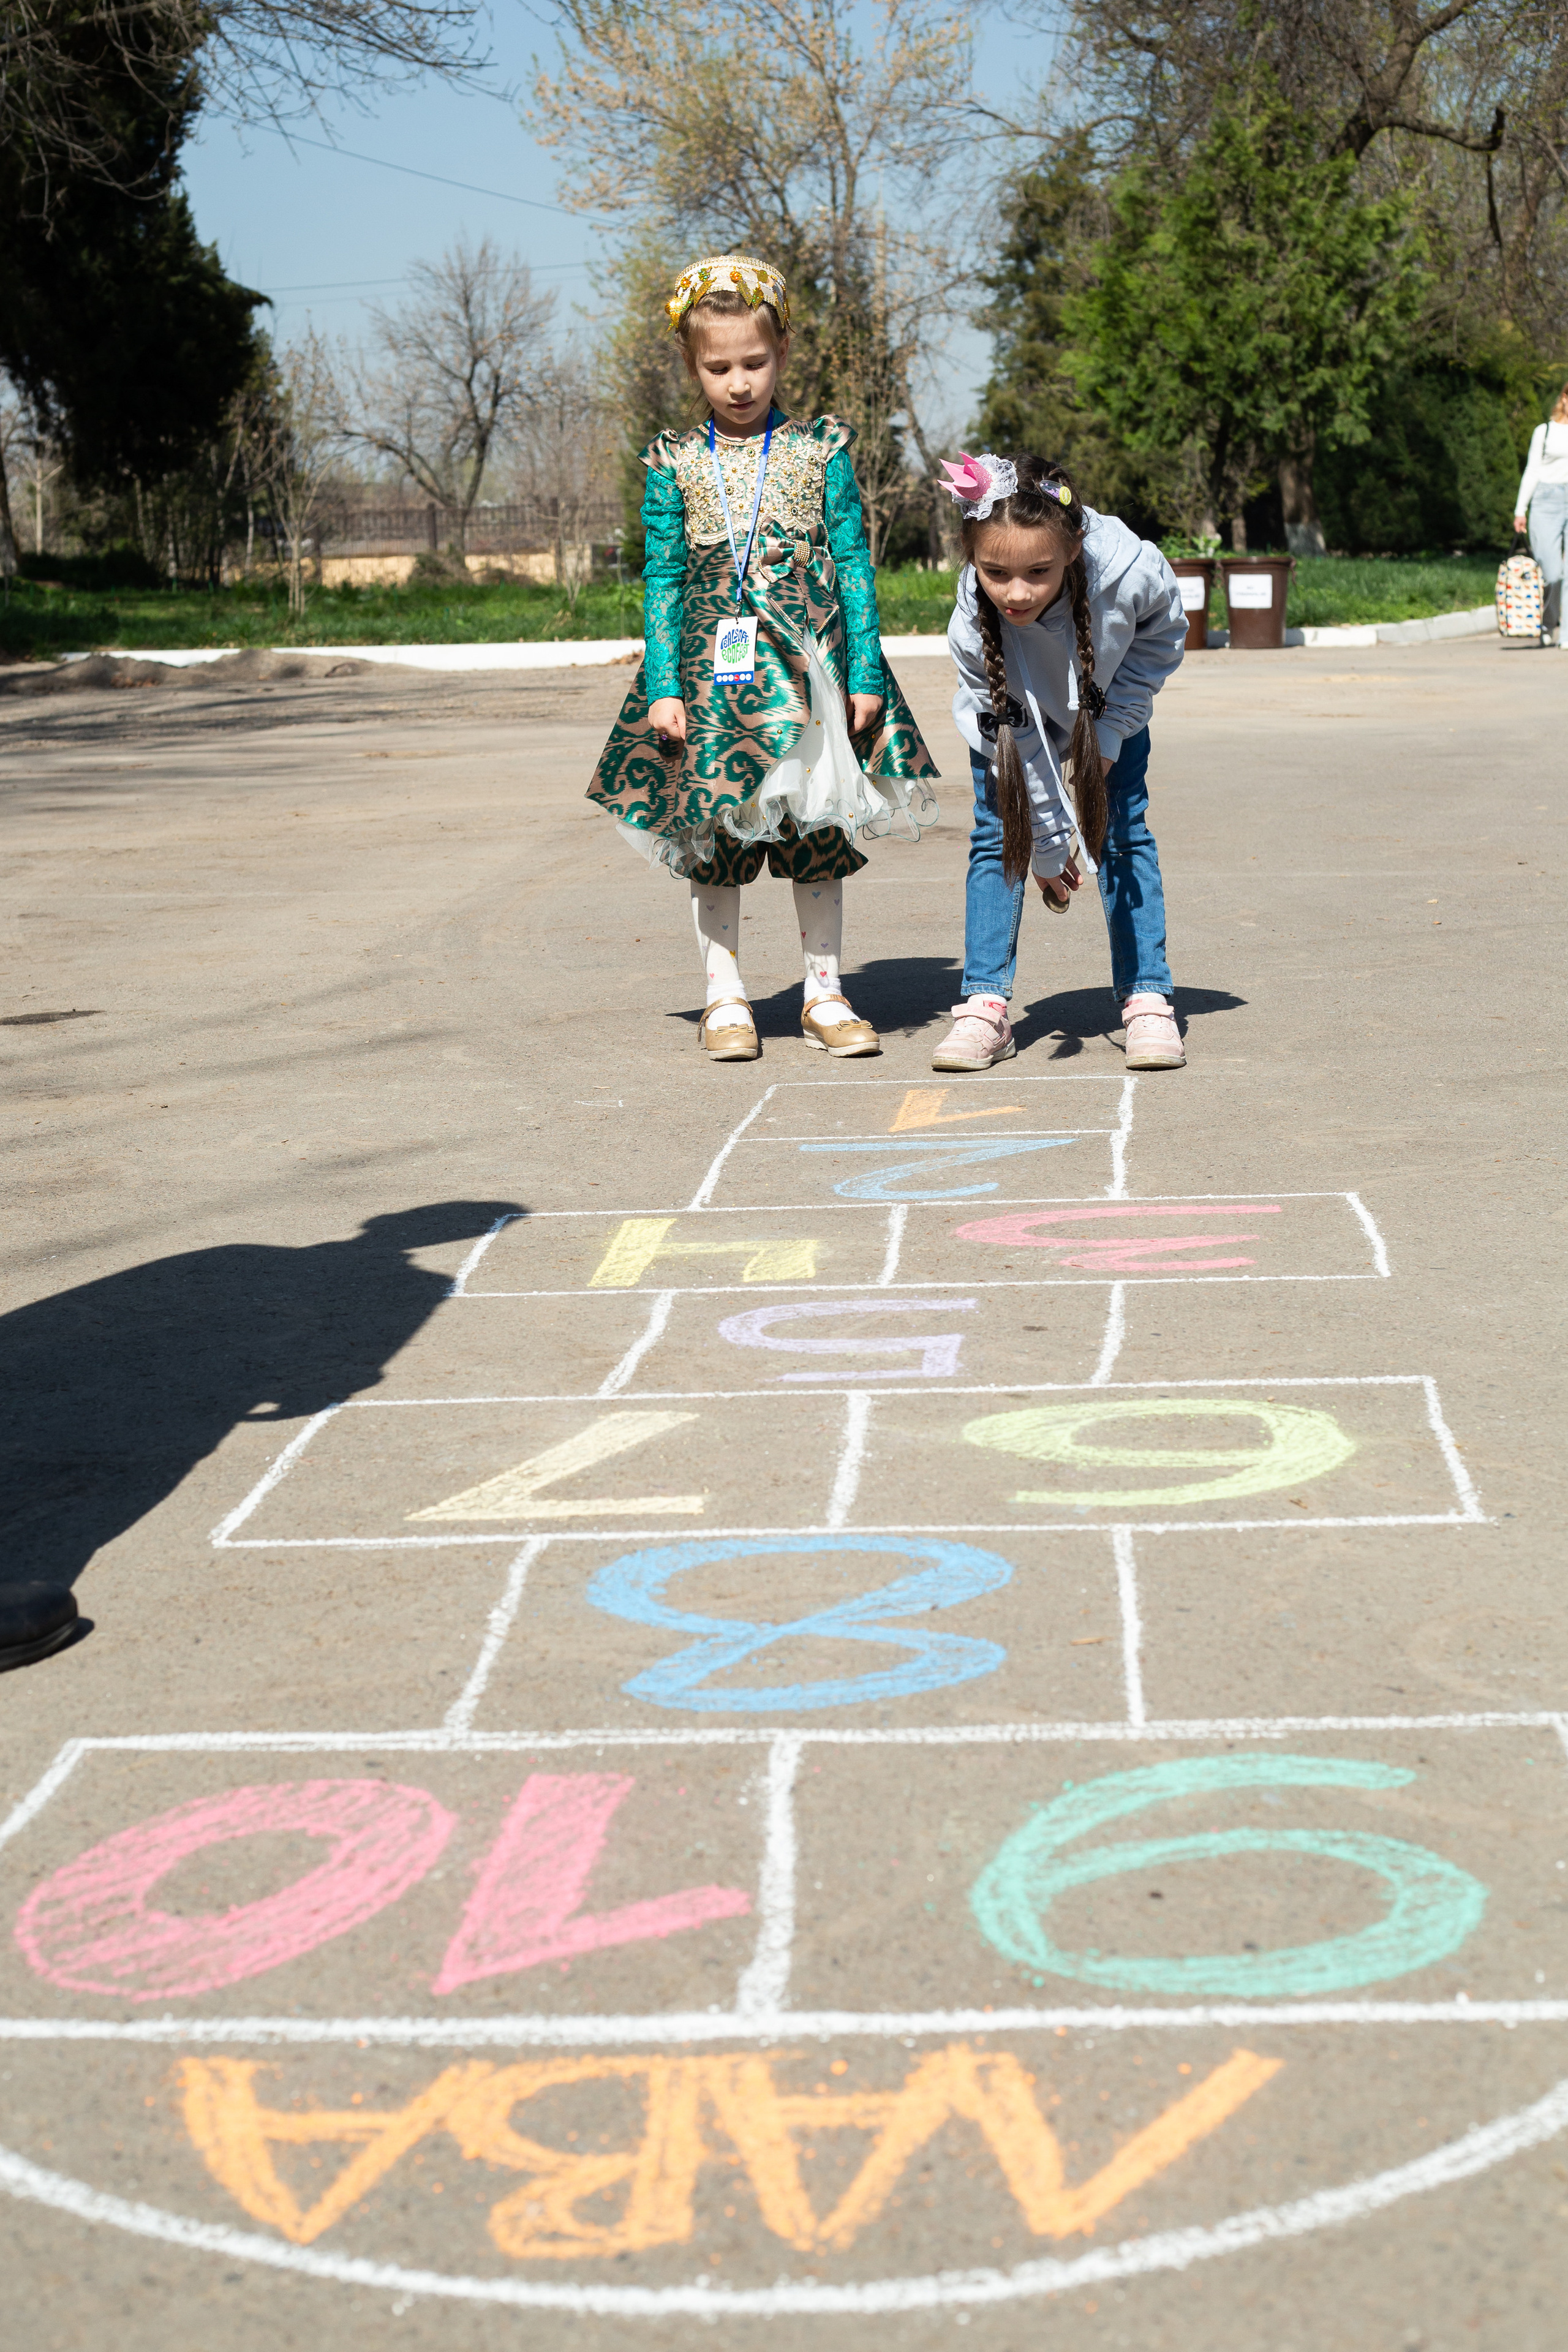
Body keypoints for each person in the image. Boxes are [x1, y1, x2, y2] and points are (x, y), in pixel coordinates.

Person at [587, 253, 940, 1061]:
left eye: (755, 362)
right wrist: (664, 685)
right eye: (719, 367)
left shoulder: (823, 447)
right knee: (717, 835)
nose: (739, 382)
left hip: (811, 677)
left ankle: (824, 994)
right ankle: (725, 998)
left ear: (782, 355)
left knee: (817, 831)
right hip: (715, 686)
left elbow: (853, 562)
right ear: (692, 364)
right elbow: (665, 577)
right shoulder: (671, 460)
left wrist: (864, 674)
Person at [929, 451, 1188, 1073]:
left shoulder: (1130, 573)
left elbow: (1163, 635)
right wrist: (1045, 849)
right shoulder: (973, 621)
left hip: (1106, 710)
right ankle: (984, 1005)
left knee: (1121, 837)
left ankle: (1147, 997)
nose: (1016, 592)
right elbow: (1015, 745)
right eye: (995, 572)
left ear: (1072, 550)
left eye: (1038, 572)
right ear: (972, 560)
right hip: (1009, 727)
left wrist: (1110, 734)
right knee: (1000, 841)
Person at [1513, 382, 1568, 647]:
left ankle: (1567, 635)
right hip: (1547, 502)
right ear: (1564, 399)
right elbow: (1532, 470)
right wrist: (1520, 509)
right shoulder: (1544, 431)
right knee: (1553, 573)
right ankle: (1548, 625)